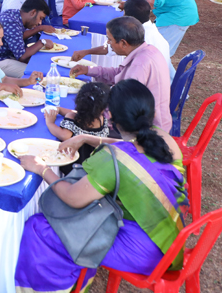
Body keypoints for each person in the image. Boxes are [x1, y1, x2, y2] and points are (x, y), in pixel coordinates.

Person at [16, 79, 187, 293]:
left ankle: (55, 288)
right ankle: (80, 278)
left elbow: (72, 198)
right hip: (172, 240)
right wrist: (85, 138)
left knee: (39, 228)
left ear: (111, 117)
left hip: (146, 253)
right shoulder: (162, 137)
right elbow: (130, 145)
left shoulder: (114, 159)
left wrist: (42, 169)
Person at [70, 16, 171, 132]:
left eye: (110, 40)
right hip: (146, 120)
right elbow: (119, 74)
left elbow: (123, 107)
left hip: (145, 130)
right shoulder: (148, 50)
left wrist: (94, 117)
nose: (108, 43)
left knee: (76, 125)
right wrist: (88, 70)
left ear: (123, 43)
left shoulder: (140, 66)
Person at [72, 0, 172, 77]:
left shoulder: (141, 39)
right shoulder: (151, 30)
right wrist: (87, 53)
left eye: (124, 13)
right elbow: (112, 51)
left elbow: (125, 79)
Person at [45, 82, 111, 174]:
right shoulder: (101, 120)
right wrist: (59, 109)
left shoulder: (72, 118)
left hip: (73, 167)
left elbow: (64, 135)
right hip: (93, 165)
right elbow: (79, 113)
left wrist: (50, 122)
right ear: (103, 109)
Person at [0, 0, 55, 77]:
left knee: (38, 61)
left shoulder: (14, 14)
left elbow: (17, 36)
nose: (40, 22)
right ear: (33, 12)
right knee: (36, 73)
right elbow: (22, 56)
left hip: (5, 56)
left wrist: (39, 28)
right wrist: (42, 42)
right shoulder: (11, 22)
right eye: (40, 18)